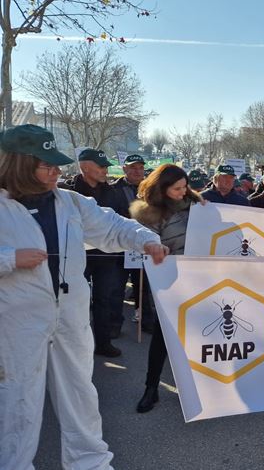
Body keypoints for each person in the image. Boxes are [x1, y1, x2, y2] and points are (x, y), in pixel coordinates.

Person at [0, 124, 168, 470]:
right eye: (45, 165)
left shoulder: (70, 201)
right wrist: (9, 259)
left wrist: (145, 239)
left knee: (80, 392)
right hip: (16, 321)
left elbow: (112, 225)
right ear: (18, 164)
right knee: (16, 400)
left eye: (56, 165)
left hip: (71, 315)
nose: (55, 172)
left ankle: (90, 462)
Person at [129, 164, 205, 413]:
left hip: (201, 279)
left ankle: (196, 386)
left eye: (185, 187)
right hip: (170, 281)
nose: (183, 192)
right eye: (177, 188)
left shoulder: (197, 204)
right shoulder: (150, 213)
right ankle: (151, 388)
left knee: (196, 333)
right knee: (163, 336)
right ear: (162, 189)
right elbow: (147, 243)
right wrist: (158, 248)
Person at [63, 148, 130, 357]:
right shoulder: (66, 192)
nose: (105, 170)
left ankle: (102, 342)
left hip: (106, 258)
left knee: (104, 300)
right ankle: (75, 346)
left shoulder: (113, 193)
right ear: (85, 167)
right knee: (75, 302)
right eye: (101, 166)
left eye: (106, 166)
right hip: (75, 257)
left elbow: (123, 221)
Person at [112, 154, 152, 334]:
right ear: (124, 169)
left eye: (140, 168)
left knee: (143, 287)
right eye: (133, 167)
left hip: (143, 245)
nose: (137, 171)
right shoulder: (112, 189)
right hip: (120, 246)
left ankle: (145, 320)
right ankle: (113, 326)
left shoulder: (151, 189)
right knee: (117, 288)